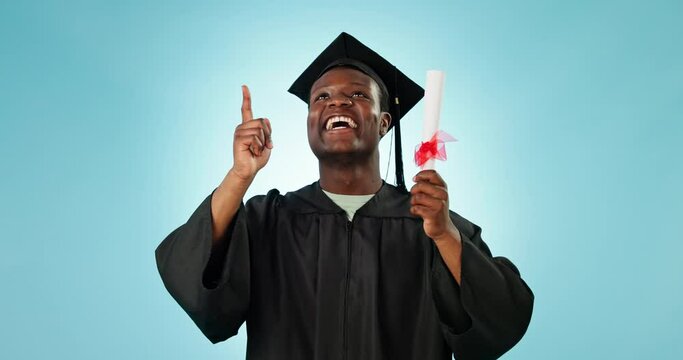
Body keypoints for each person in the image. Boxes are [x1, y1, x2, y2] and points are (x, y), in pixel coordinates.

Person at [155, 33, 534, 360]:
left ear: (384, 122)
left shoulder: (429, 221)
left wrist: (445, 235)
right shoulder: (269, 219)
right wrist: (239, 177)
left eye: (357, 94)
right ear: (308, 123)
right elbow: (196, 286)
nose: (336, 102)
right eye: (321, 98)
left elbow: (501, 321)